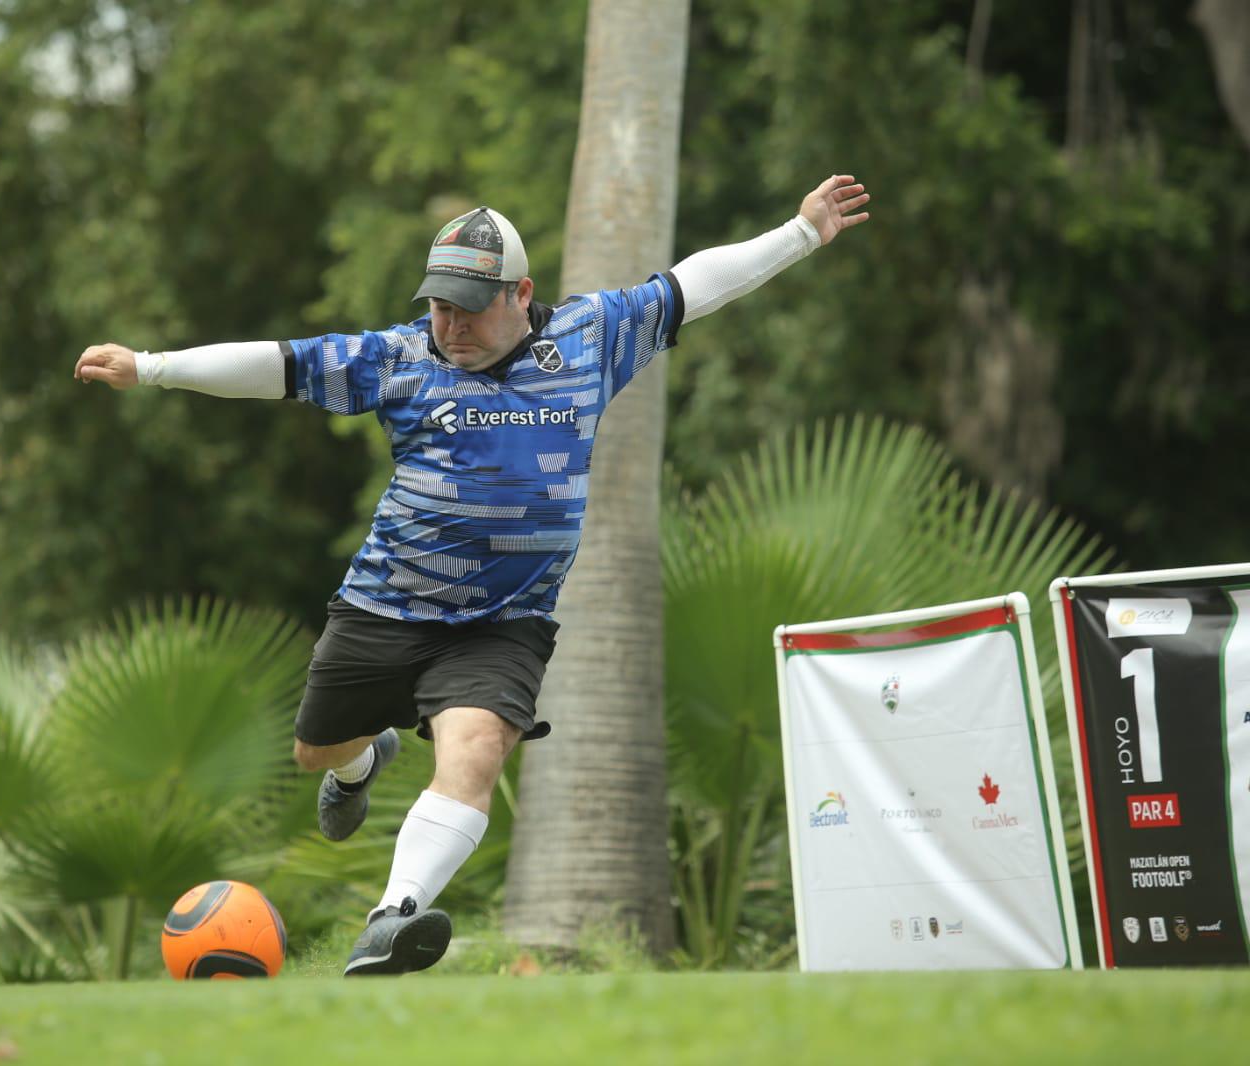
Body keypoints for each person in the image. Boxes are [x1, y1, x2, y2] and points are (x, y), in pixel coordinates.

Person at [74, 174, 870, 975]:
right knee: (317, 750)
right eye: (438, 305)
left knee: (477, 748)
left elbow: (695, 285)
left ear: (521, 293)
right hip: (386, 606)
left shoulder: (591, 339)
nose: (448, 323)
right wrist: (151, 366)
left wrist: (801, 232)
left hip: (505, 622)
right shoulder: (399, 358)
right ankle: (364, 760)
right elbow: (279, 365)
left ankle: (393, 916)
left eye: (467, 305)